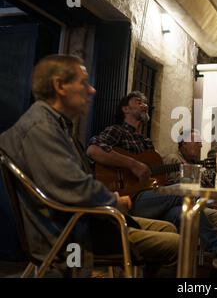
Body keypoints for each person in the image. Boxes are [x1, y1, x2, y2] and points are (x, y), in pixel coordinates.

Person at [0, 55, 179, 277]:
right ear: (59, 85)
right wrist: (115, 200)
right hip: (73, 234)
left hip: (83, 222)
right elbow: (73, 188)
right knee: (178, 244)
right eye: (83, 82)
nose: (92, 90)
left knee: (169, 228)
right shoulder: (41, 129)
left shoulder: (54, 125)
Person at [86, 92, 217, 271]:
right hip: (127, 198)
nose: (144, 104)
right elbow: (93, 150)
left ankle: (208, 264)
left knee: (183, 212)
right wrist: (132, 164)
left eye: (145, 101)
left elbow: (152, 178)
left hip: (148, 198)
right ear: (125, 109)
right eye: (138, 102)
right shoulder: (117, 131)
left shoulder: (145, 143)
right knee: (184, 190)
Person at [164, 129, 217, 254]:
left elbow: (207, 187)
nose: (200, 145)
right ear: (184, 143)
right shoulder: (173, 159)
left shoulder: (196, 163)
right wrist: (208, 202)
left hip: (204, 203)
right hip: (187, 205)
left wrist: (214, 200)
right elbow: (176, 188)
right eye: (197, 142)